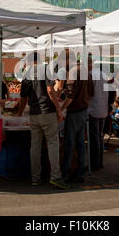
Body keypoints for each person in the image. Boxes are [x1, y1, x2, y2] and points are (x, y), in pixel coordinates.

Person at [18, 52, 69, 189]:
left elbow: (23, 98)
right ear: (39, 60)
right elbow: (50, 91)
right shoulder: (44, 70)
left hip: (34, 113)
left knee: (35, 146)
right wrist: (58, 110)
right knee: (53, 144)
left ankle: (35, 178)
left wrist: (18, 113)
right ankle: (55, 177)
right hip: (47, 112)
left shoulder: (26, 74)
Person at [60, 59, 94, 183]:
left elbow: (70, 95)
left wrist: (61, 108)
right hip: (83, 110)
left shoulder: (73, 72)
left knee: (69, 144)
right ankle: (80, 173)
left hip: (74, 112)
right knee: (80, 143)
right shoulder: (86, 72)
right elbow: (91, 92)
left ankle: (65, 173)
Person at [88, 57, 109, 171]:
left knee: (94, 138)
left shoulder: (91, 75)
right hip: (103, 109)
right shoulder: (103, 74)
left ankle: (95, 163)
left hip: (94, 109)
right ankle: (99, 162)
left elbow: (90, 93)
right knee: (100, 137)